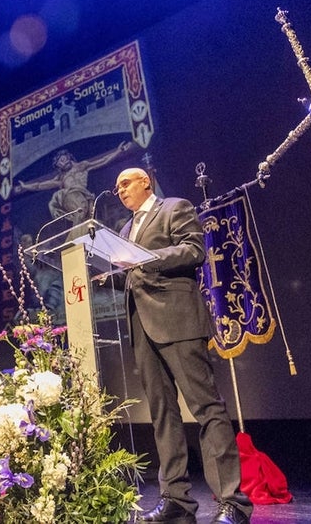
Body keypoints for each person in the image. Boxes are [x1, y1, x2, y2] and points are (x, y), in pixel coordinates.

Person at [114, 167, 252, 524]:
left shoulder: (175, 207)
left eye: (125, 183)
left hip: (178, 320)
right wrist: (105, 274)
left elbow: (193, 250)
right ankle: (176, 500)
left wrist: (144, 259)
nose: (120, 191)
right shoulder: (125, 230)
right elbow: (130, 277)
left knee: (207, 408)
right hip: (142, 328)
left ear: (146, 181)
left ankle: (232, 503)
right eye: (117, 188)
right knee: (162, 415)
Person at [13, 142, 132, 225]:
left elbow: (103, 160)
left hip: (86, 195)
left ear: (69, 158)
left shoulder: (82, 166)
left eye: (65, 159)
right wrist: (25, 186)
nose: (64, 162)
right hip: (71, 195)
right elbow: (39, 185)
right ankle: (76, 237)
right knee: (81, 209)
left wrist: (118, 151)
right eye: (61, 161)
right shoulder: (61, 178)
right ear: (58, 165)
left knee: (90, 220)